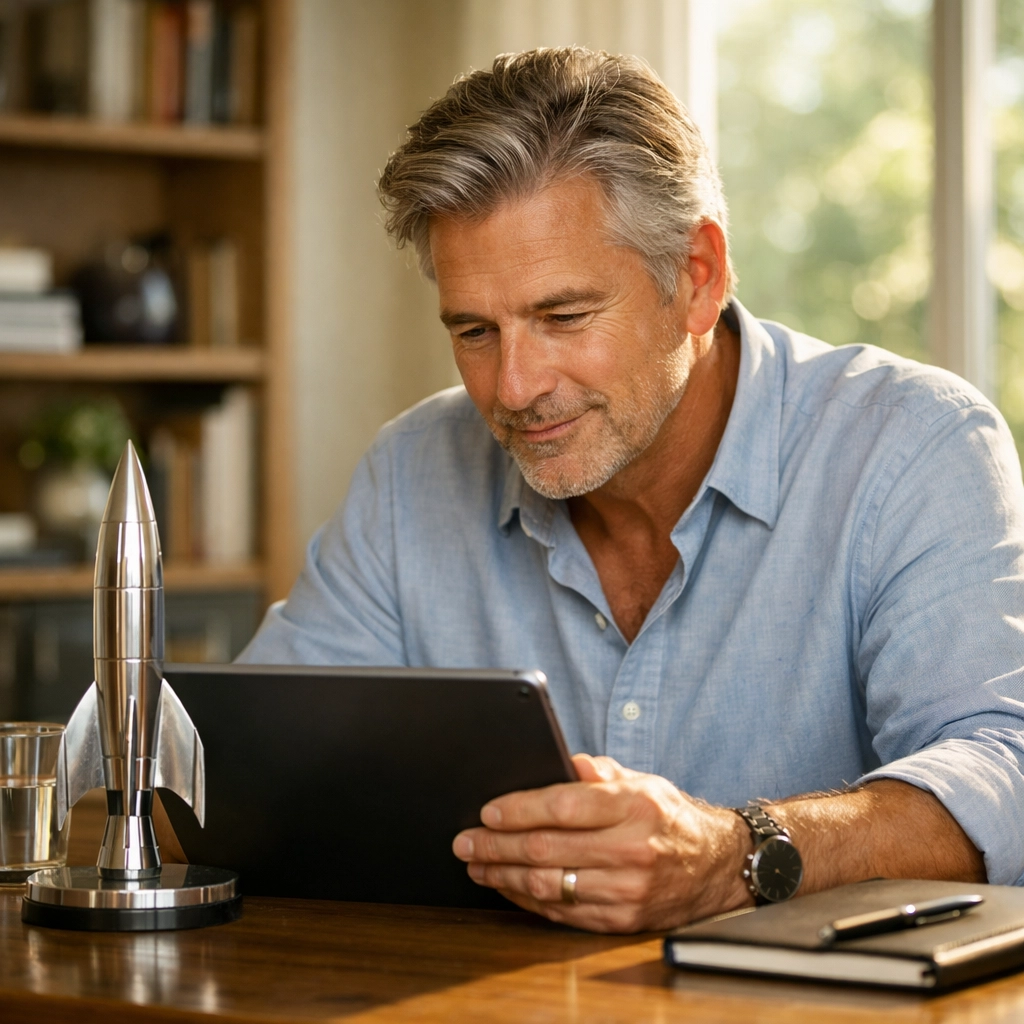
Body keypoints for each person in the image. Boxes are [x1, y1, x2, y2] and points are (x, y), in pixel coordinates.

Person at [239, 47, 1024, 933]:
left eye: (563, 316)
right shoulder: (412, 469)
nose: (513, 387)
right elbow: (238, 761)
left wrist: (737, 854)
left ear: (697, 276)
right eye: (474, 330)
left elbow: (1007, 767)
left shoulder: (913, 443)